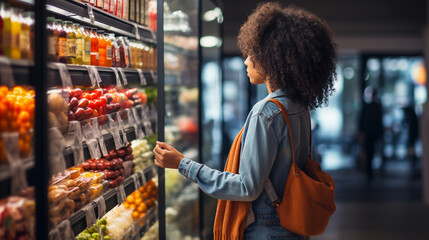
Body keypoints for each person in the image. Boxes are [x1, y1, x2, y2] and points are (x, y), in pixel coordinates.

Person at [153, 2, 337, 239]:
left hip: (266, 229)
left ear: (272, 57)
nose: (246, 61)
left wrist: (182, 164)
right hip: (292, 225)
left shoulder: (266, 112)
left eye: (252, 53)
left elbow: (246, 187)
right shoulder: (298, 105)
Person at [358, 87, 383, 180]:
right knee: (371, 151)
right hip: (374, 132)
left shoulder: (367, 106)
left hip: (368, 132)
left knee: (368, 151)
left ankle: (368, 170)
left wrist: (361, 131)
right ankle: (369, 170)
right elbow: (379, 121)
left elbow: (361, 120)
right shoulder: (377, 106)